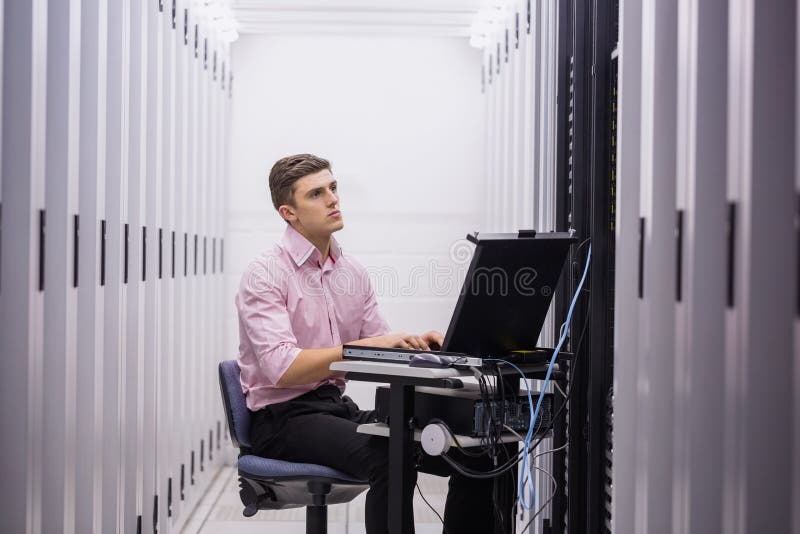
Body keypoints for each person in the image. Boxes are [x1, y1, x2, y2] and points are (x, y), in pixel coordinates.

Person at [236, 154, 495, 534]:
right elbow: (283, 368)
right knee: (391, 455)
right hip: (281, 420)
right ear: (288, 212)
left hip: (335, 410)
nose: (333, 200)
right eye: (317, 194)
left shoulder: (351, 272)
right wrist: (367, 345)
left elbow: (380, 347)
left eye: (334, 188)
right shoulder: (265, 273)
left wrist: (415, 342)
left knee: (479, 450)